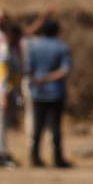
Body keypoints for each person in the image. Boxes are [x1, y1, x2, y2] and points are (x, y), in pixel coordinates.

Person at [23, 18, 72, 169]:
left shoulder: (34, 47)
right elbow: (64, 70)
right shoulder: (62, 47)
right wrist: (47, 78)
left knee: (37, 127)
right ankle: (57, 159)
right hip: (56, 92)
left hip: (37, 92)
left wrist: (37, 80)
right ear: (57, 31)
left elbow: (28, 69)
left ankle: (35, 158)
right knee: (55, 127)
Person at [0, 11, 20, 168]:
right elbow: (1, 71)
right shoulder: (4, 48)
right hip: (0, 90)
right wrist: (2, 92)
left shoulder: (10, 48)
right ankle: (0, 154)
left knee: (1, 123)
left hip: (3, 89)